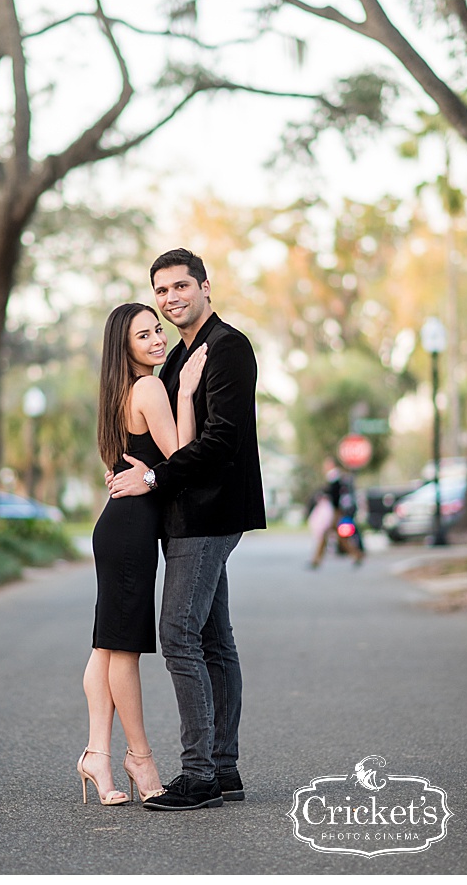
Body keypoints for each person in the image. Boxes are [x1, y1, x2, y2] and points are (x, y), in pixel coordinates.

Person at [109, 248, 266, 811]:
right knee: (213, 640)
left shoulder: (229, 349)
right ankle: (224, 770)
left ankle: (198, 775)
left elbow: (222, 440)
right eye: (162, 290)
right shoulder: (175, 358)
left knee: (177, 635)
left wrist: (152, 478)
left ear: (205, 287)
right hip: (184, 518)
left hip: (211, 513)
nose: (171, 298)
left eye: (181, 286)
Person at [80, 303, 207, 806]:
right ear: (124, 346)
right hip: (131, 534)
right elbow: (183, 456)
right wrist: (188, 393)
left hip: (115, 528)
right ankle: (139, 756)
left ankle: (95, 756)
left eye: (158, 330)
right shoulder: (151, 388)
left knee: (106, 647)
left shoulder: (115, 394)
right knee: (123, 650)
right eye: (144, 335)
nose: (157, 339)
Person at [308, 457, 364, 568]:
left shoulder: (335, 478)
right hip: (334, 511)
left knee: (338, 536)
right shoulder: (337, 478)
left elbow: (335, 496)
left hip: (335, 512)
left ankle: (356, 554)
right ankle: (316, 560)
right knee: (329, 535)